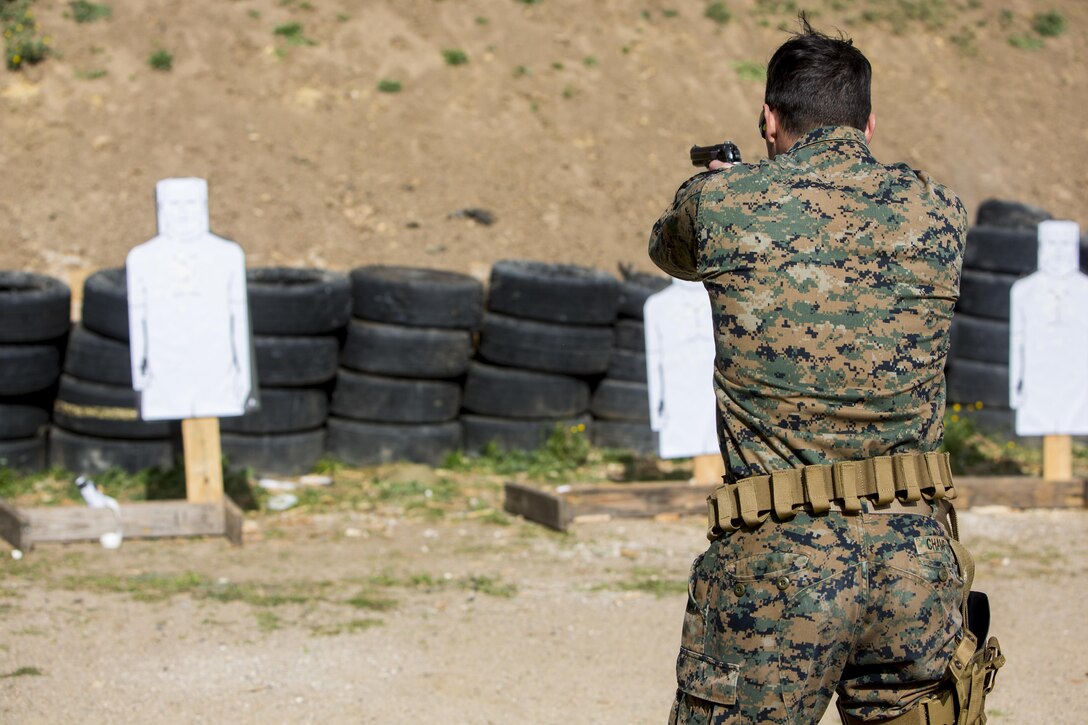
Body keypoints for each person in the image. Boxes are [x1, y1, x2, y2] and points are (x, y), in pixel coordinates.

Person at [649, 15, 988, 725]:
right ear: (867, 125)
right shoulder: (940, 210)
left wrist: (727, 183)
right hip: (917, 563)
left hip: (779, 561)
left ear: (769, 118)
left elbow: (670, 250)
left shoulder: (723, 205)